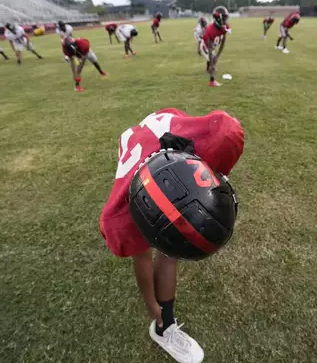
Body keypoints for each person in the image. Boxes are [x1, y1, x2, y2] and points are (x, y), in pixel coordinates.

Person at [100, 108, 244, 363]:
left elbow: (224, 132)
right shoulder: (123, 216)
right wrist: (153, 307)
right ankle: (163, 326)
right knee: (164, 239)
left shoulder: (191, 130)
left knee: (173, 238)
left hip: (154, 139)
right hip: (140, 159)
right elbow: (140, 258)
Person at [200, 6, 230, 87]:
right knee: (213, 61)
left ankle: (210, 70)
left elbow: (223, 43)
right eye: (224, 18)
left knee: (214, 60)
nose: (225, 20)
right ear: (218, 18)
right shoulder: (210, 29)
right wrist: (212, 62)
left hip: (212, 46)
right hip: (205, 46)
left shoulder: (225, 27)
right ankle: (212, 81)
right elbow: (209, 48)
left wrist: (218, 55)